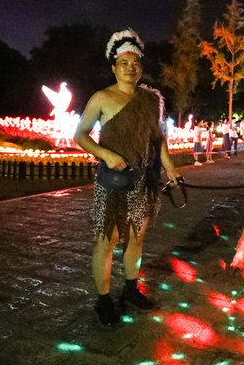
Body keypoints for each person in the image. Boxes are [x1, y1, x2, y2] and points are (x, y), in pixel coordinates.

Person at [73, 28, 180, 327]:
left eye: (136, 63)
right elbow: (80, 134)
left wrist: (169, 166)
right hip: (113, 183)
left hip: (142, 183)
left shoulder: (150, 100)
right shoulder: (102, 98)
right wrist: (104, 154)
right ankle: (103, 299)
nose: (131, 68)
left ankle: (131, 289)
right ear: (114, 67)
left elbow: (159, 138)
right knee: (108, 240)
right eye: (124, 64)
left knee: (137, 237)